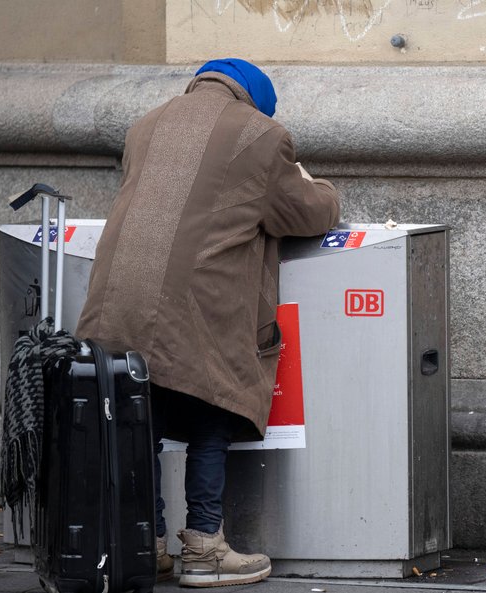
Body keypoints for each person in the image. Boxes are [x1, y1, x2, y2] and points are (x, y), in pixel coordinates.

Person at [76, 58, 341, 588]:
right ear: (254, 100)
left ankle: (141, 542)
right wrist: (323, 187)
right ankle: (204, 549)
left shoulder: (147, 123)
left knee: (139, 419)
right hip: (198, 300)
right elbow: (306, 212)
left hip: (119, 295)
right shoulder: (263, 135)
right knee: (210, 412)